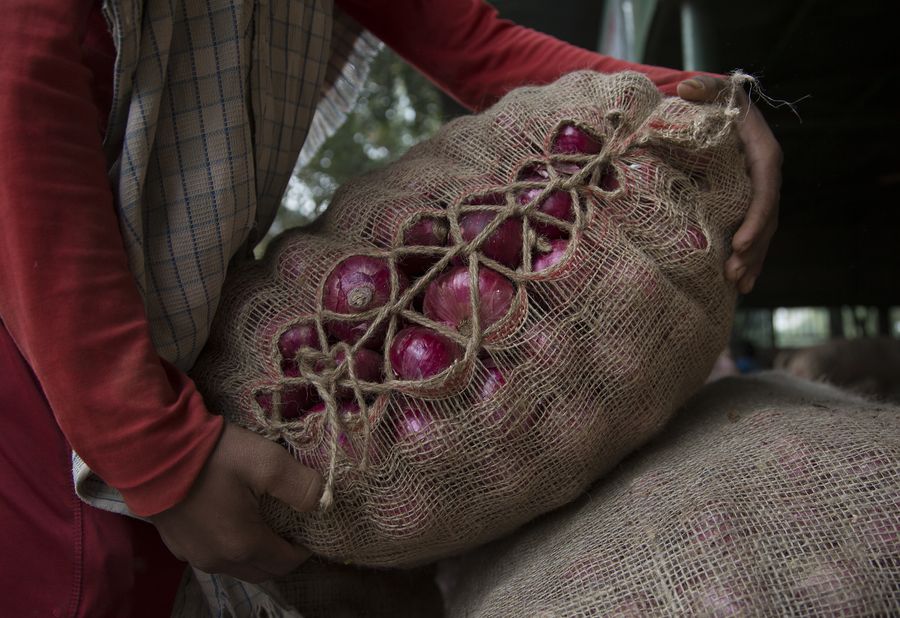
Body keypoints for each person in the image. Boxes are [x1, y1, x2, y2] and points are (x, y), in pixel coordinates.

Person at [0, 0, 781, 615]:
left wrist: (693, 103)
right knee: (87, 582)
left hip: (168, 353)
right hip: (44, 335)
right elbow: (16, 89)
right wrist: (152, 446)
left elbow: (472, 44)